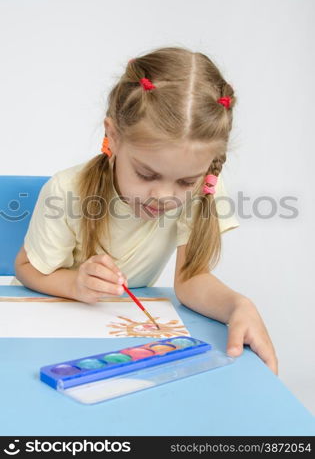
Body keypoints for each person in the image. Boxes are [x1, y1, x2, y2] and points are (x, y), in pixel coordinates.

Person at [13, 46, 278, 374]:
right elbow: (26, 266)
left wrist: (239, 305)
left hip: (122, 343)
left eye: (184, 181)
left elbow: (190, 280)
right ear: (113, 136)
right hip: (49, 338)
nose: (164, 196)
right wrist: (75, 284)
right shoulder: (66, 190)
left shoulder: (203, 189)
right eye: (147, 174)